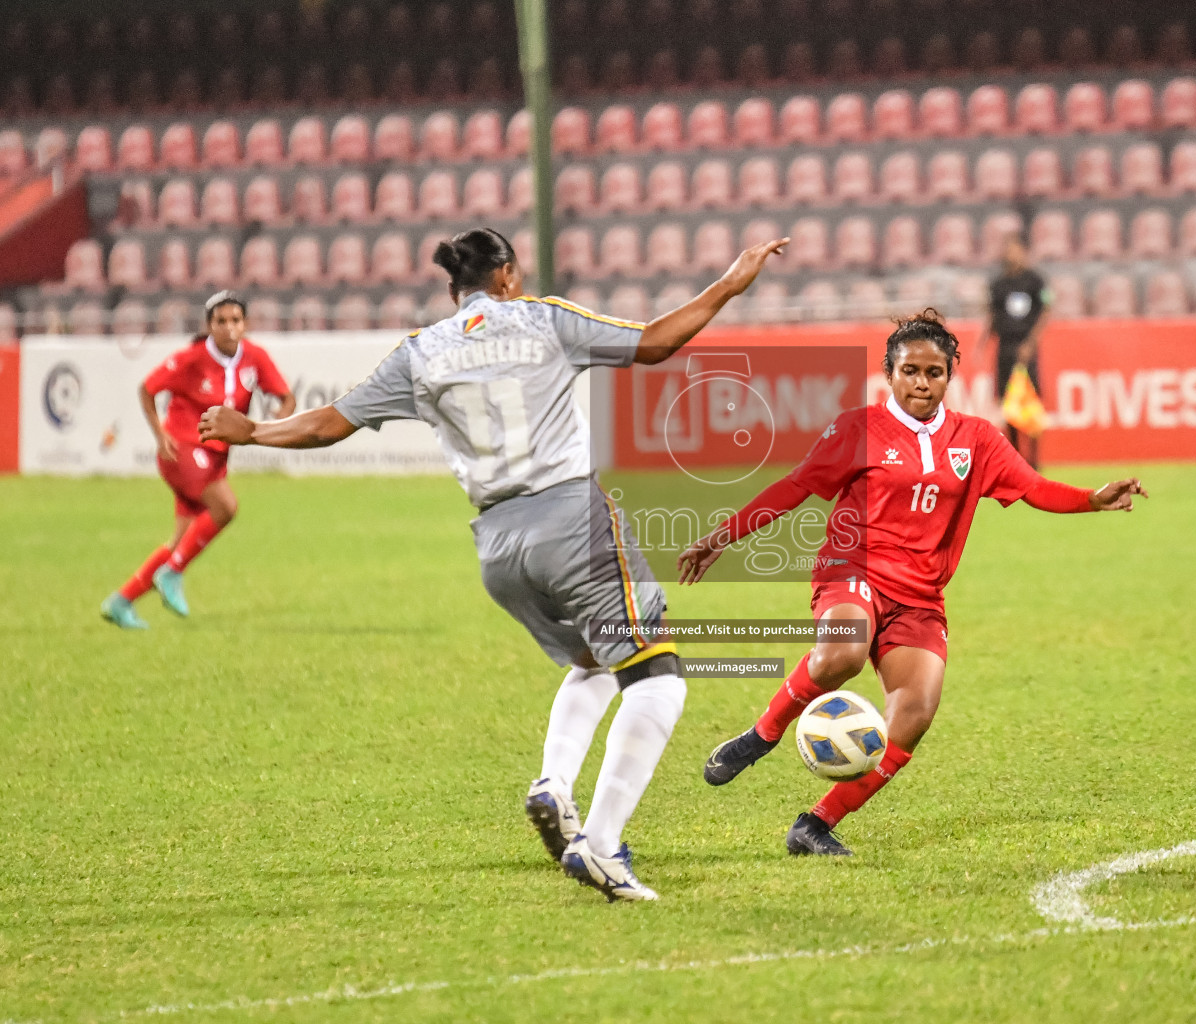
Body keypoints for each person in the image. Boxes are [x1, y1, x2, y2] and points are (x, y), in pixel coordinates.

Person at [200, 227, 788, 901]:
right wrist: (731, 283)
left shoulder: (421, 352)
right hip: (572, 518)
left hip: (499, 549)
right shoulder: (541, 319)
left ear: (454, 288)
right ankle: (599, 846)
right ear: (506, 274)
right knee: (660, 678)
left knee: (594, 660)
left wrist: (254, 433)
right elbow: (654, 342)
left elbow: (328, 424)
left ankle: (554, 786)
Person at [677, 310, 1146, 856]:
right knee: (842, 654)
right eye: (910, 371)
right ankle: (761, 736)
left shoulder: (977, 439)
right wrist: (723, 536)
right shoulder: (859, 428)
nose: (922, 382)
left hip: (920, 597)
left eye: (935, 372)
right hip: (854, 572)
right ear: (889, 374)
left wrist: (1092, 499)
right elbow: (797, 486)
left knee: (915, 712)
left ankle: (815, 825)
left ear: (950, 376)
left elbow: (1033, 488)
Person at [101, 291, 294, 630]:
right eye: (221, 321)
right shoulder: (191, 358)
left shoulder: (255, 358)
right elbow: (147, 389)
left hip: (216, 456)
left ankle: (122, 601)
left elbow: (286, 398)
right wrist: (160, 435)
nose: (229, 328)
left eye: (236, 320)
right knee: (225, 507)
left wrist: (278, 420)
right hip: (183, 449)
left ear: (245, 324)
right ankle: (173, 574)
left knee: (182, 540)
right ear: (209, 326)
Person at [986, 235, 1052, 468]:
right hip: (1005, 348)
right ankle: (1014, 457)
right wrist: (983, 341)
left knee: (1030, 402)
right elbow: (992, 316)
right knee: (1009, 405)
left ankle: (1034, 459)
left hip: (1026, 349)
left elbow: (1046, 310)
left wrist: (1031, 343)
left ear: (1023, 252)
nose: (1012, 255)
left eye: (1016, 250)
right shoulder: (998, 284)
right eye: (1009, 250)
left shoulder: (1035, 281)